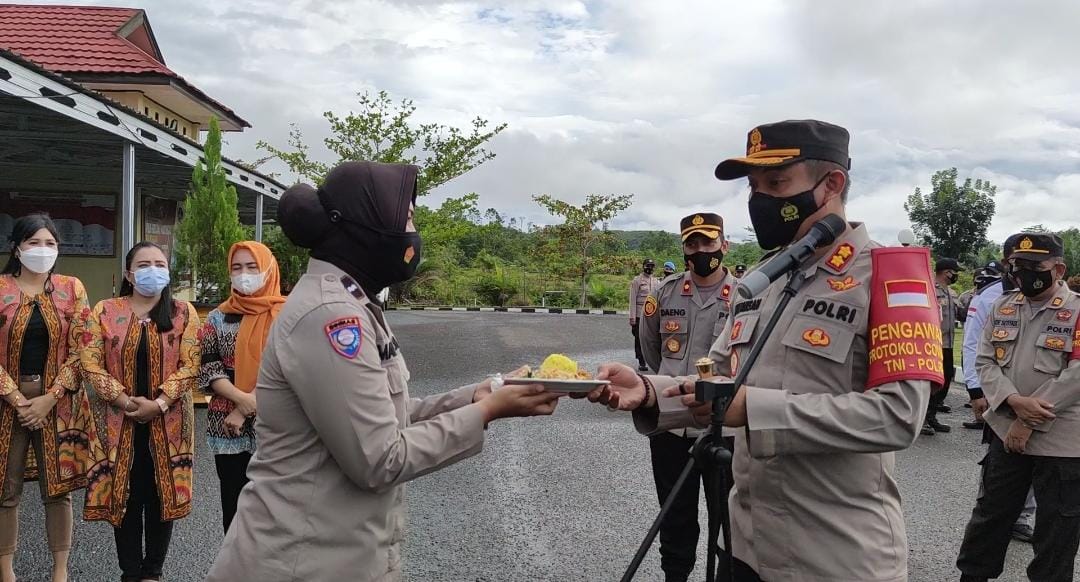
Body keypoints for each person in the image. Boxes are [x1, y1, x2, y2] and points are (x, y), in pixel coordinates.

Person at [587, 120, 939, 582]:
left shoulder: (892, 277)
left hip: (835, 558)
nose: (761, 200)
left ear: (831, 184)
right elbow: (717, 383)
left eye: (777, 183)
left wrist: (754, 409)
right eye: (754, 187)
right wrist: (652, 392)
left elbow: (898, 416)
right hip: (746, 547)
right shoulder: (765, 280)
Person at [205, 161, 562, 582]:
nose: (413, 231)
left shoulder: (351, 301)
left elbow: (378, 414)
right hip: (300, 561)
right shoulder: (331, 315)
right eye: (406, 218)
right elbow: (379, 458)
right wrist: (487, 413)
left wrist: (474, 396)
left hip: (332, 556)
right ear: (363, 226)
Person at [956, 233, 1080, 582]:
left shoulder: (1078, 311)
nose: (1022, 272)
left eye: (1033, 266)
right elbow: (984, 362)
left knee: (1057, 530)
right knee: (990, 516)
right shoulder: (1002, 306)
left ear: (1058, 268)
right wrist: (1013, 402)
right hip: (1005, 430)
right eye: (1016, 265)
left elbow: (1077, 375)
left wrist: (1029, 418)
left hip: (1062, 441)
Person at [81, 242, 199, 582]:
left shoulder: (183, 313)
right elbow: (90, 362)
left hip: (170, 424)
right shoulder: (105, 311)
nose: (153, 269)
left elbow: (191, 366)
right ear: (130, 274)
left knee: (162, 499)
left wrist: (160, 402)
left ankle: (153, 573)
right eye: (144, 264)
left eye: (160, 263)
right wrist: (124, 401)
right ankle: (130, 573)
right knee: (127, 499)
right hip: (118, 424)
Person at [638, 212, 736, 582]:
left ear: (723, 246)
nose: (700, 250)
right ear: (683, 249)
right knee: (674, 513)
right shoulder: (665, 292)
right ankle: (674, 576)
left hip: (722, 426)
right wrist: (670, 384)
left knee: (726, 516)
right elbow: (650, 348)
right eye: (692, 244)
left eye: (708, 242)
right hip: (671, 422)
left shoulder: (745, 296)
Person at [0, 214, 91, 582]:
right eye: (34, 243)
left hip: (58, 402)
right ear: (17, 248)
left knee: (59, 490)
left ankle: (60, 573)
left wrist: (50, 397)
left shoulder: (71, 288)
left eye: (50, 244)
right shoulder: (1, 288)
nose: (42, 251)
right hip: (8, 403)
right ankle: (6, 571)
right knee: (6, 490)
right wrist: (19, 400)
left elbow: (85, 346)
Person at [198, 241, 286, 534]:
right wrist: (241, 401)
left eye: (252, 267)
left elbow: (288, 369)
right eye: (237, 268)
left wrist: (247, 405)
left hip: (277, 426)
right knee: (233, 509)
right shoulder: (217, 317)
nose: (244, 274)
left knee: (276, 511)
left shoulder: (287, 316)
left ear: (268, 269)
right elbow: (210, 368)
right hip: (228, 426)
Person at [959, 240, 1037, 543]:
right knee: (998, 460)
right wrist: (975, 389)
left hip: (1040, 397)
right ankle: (991, 513)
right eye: (1018, 262)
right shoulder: (991, 295)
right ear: (1007, 262)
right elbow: (973, 343)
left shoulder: (1065, 301)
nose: (1024, 270)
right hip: (999, 393)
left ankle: (1024, 516)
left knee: (1039, 457)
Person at [923, 257, 960, 435]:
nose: (956, 275)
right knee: (932, 382)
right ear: (947, 272)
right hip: (934, 343)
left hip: (948, 343)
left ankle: (931, 416)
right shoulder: (931, 289)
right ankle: (922, 419)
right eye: (955, 272)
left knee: (945, 381)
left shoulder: (950, 292)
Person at [630, 259, 661, 371]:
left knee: (652, 338)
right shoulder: (637, 281)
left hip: (652, 315)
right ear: (643, 266)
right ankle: (641, 361)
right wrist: (632, 318)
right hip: (639, 314)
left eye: (652, 266)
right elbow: (632, 299)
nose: (650, 268)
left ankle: (653, 360)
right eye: (648, 266)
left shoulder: (656, 281)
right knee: (639, 338)